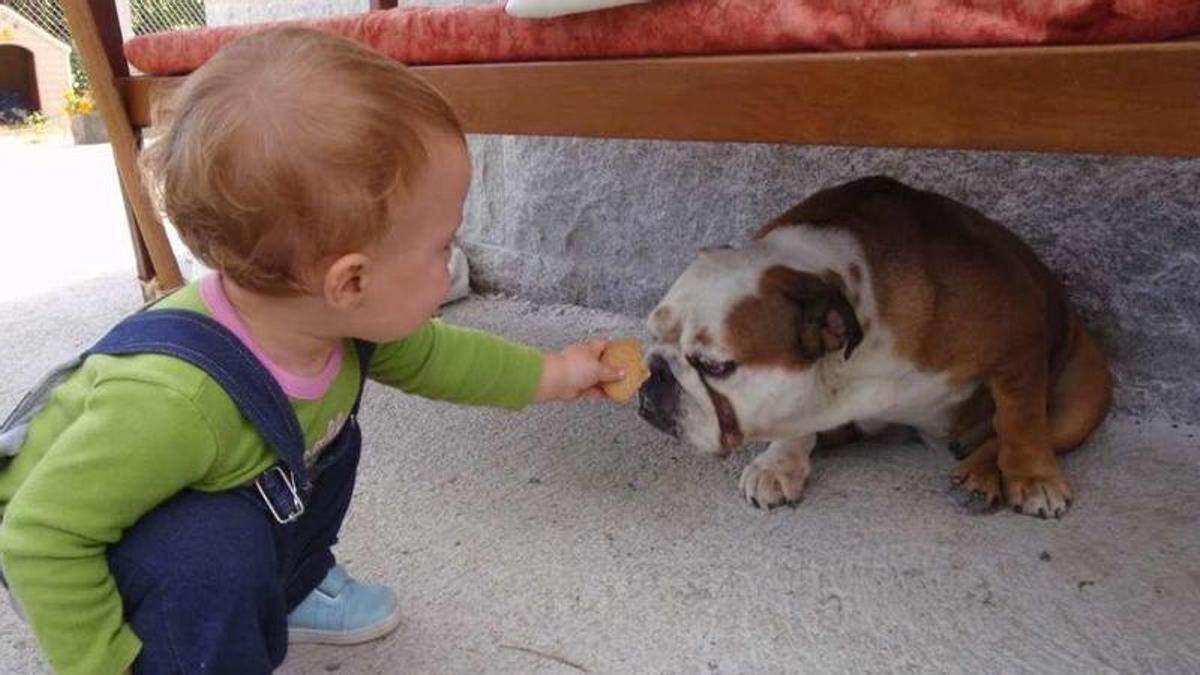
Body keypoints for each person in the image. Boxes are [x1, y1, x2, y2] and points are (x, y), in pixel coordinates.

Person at [0, 27, 623, 674]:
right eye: (443, 244)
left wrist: (557, 371)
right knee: (215, 554)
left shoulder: (341, 323)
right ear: (350, 280)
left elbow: (442, 357)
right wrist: (101, 662)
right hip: (93, 540)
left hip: (217, 481)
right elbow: (42, 536)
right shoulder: (170, 402)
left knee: (327, 446)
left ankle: (291, 588)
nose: (452, 261)